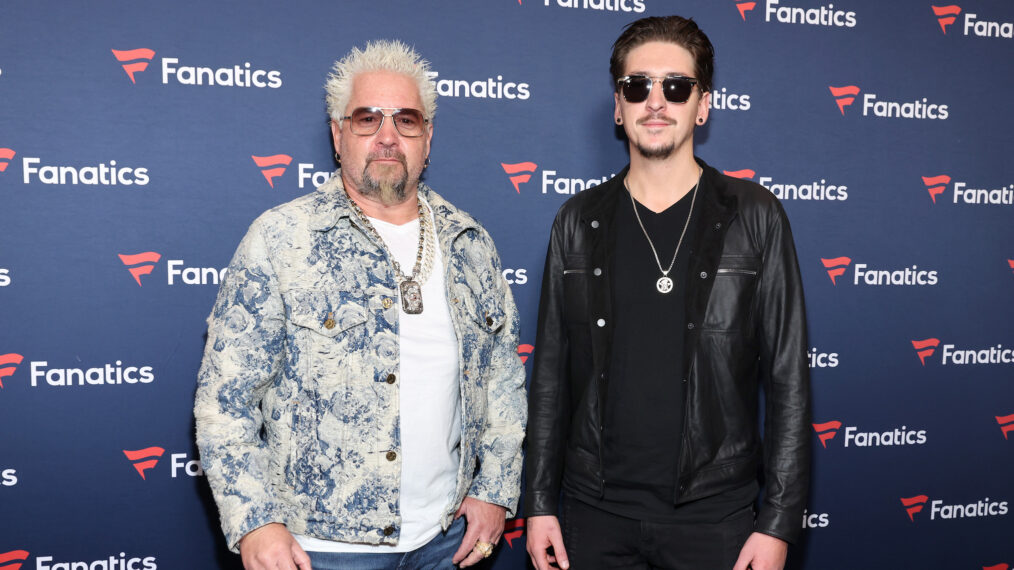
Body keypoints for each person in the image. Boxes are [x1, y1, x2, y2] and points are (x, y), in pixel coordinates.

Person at [195, 40, 526, 570]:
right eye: (368, 118)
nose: (388, 136)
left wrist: (495, 490)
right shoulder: (281, 239)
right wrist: (255, 520)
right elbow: (224, 401)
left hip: (446, 540)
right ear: (337, 133)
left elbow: (503, 382)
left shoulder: (470, 242)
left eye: (407, 120)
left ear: (428, 137)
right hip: (318, 549)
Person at [525, 15, 810, 570]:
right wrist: (538, 503)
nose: (656, 101)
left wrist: (777, 522)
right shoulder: (577, 220)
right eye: (638, 86)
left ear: (702, 105)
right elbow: (550, 376)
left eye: (676, 86)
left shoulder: (755, 216)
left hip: (715, 517)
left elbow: (788, 382)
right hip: (593, 513)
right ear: (618, 106)